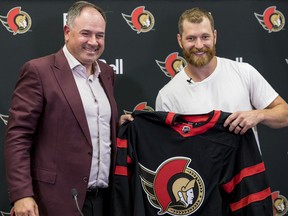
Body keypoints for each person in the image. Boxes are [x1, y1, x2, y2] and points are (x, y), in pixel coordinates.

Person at [4, 1, 132, 216]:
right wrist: (21, 194)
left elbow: (83, 123)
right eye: (85, 34)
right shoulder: (39, 71)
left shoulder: (107, 73)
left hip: (104, 200)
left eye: (99, 35)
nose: (93, 42)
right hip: (54, 200)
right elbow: (18, 136)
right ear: (67, 32)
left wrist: (116, 126)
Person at [155, 7, 288, 147]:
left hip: (247, 168)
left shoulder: (244, 72)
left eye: (205, 37)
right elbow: (165, 150)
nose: (199, 45)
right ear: (180, 40)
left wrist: (259, 115)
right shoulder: (167, 96)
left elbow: (285, 113)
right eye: (191, 38)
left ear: (215, 36)